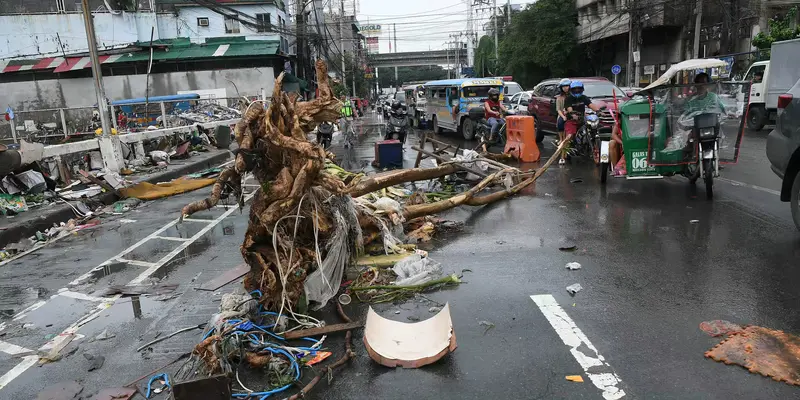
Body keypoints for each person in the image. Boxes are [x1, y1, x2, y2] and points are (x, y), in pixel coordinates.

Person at [555, 78, 572, 165]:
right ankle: (562, 157)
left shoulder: (573, 97)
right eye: (564, 86)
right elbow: (558, 110)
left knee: (568, 139)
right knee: (563, 139)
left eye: (567, 86)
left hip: (571, 117)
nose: (566, 88)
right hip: (562, 118)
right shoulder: (559, 98)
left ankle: (566, 153)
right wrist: (563, 116)